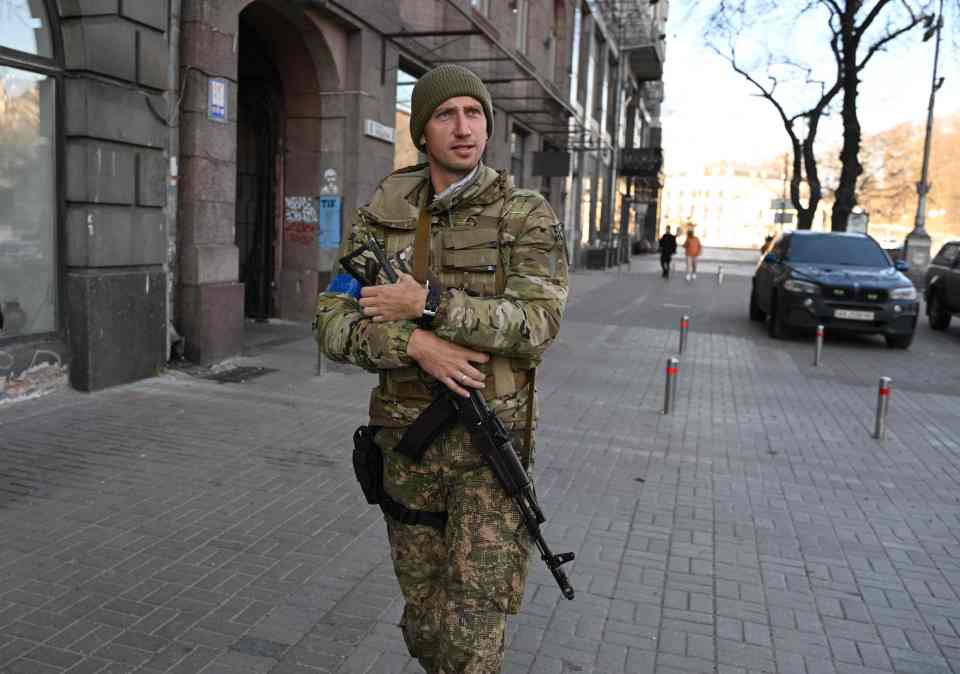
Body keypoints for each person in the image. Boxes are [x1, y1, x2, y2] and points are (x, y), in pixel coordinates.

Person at [313, 64, 569, 673]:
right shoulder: (383, 215)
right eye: (446, 114)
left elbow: (539, 323)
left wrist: (430, 305)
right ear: (422, 131)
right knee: (425, 618)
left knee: (472, 630)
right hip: (407, 450)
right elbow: (330, 320)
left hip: (488, 454)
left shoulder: (525, 215)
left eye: (474, 113)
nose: (463, 128)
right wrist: (414, 344)